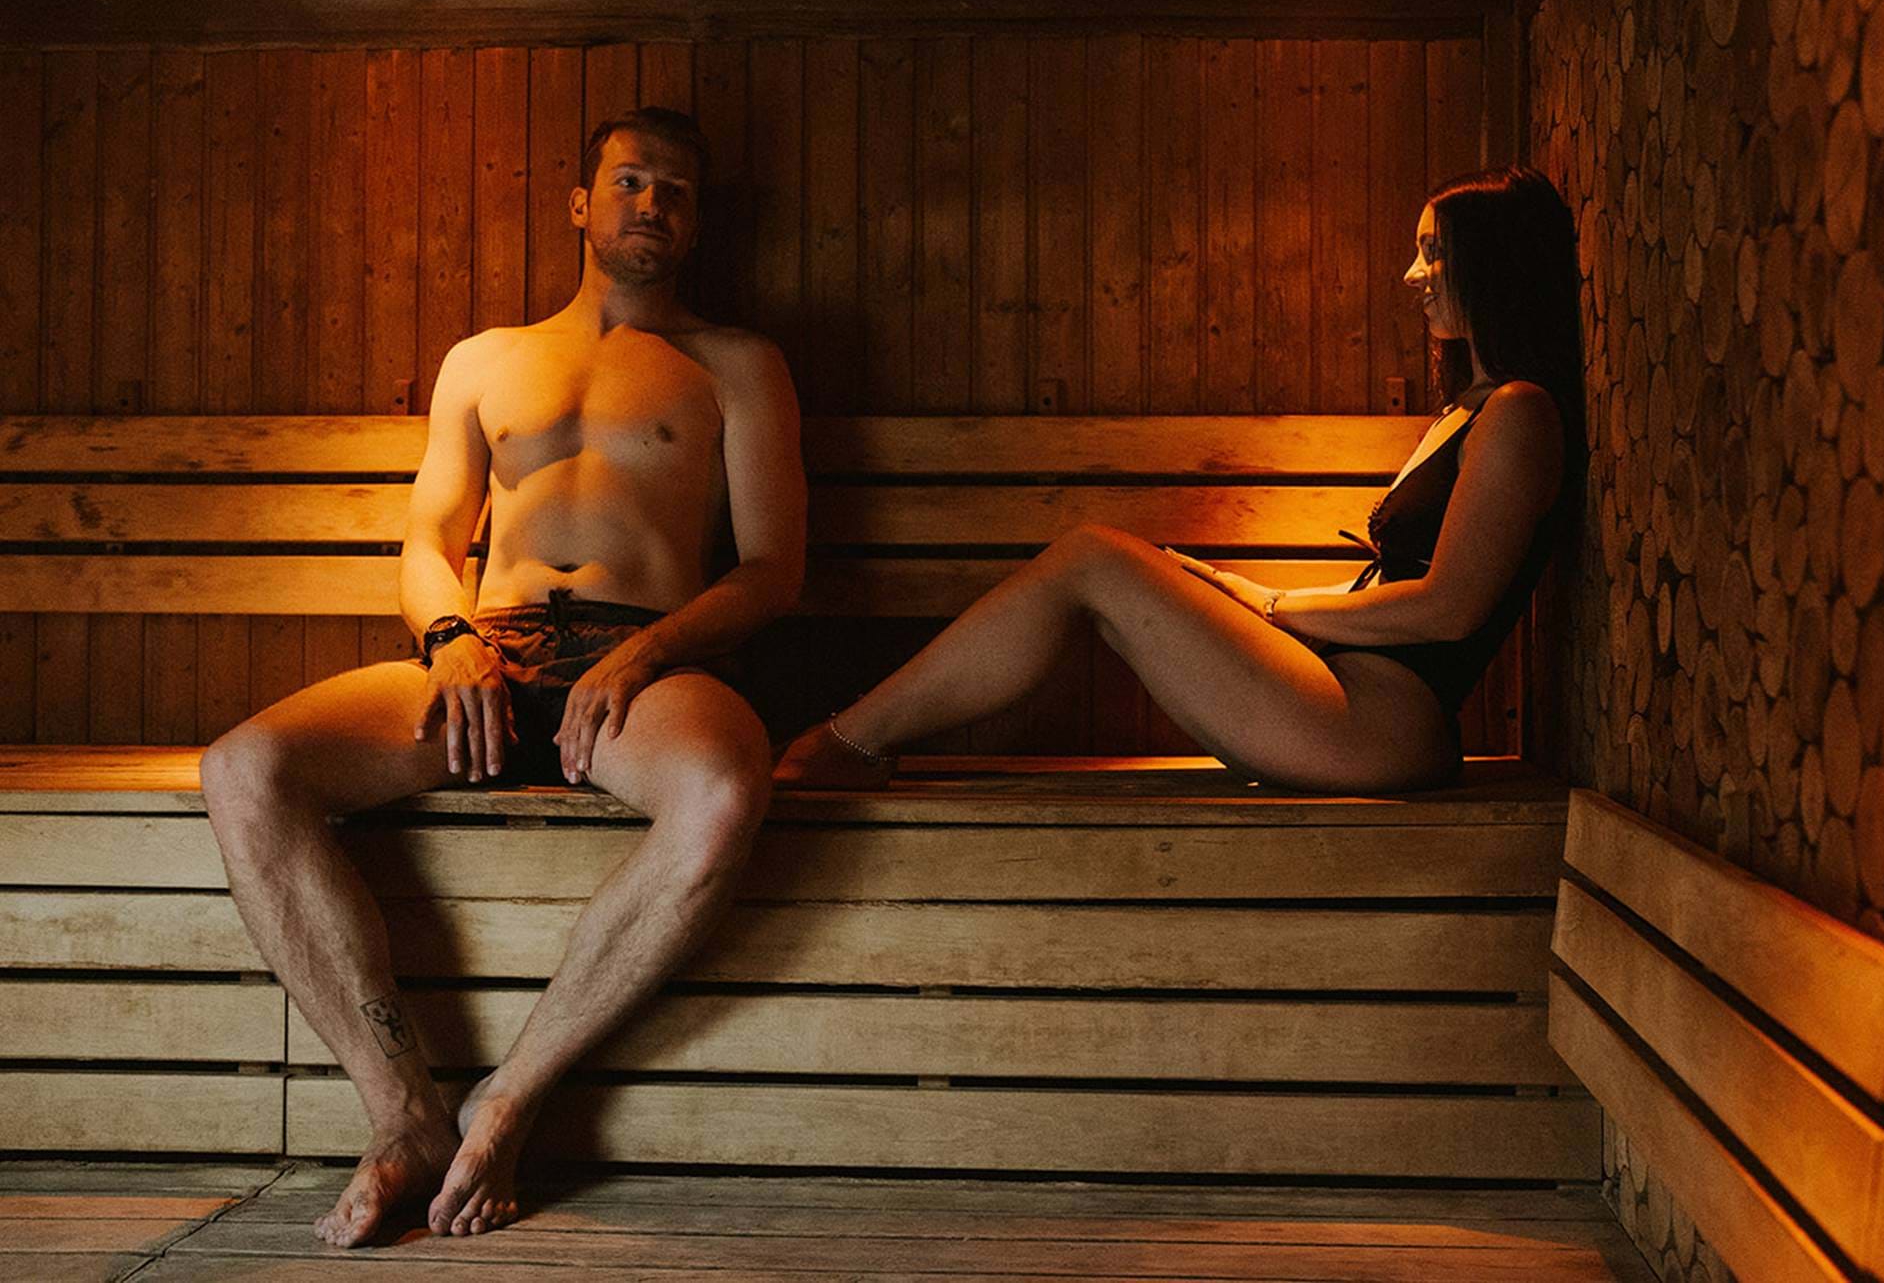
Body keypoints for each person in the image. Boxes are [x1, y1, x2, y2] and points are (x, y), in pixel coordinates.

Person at [199, 108, 806, 1247]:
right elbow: (430, 538)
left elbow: (774, 568)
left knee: (724, 790)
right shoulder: (484, 360)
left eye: (676, 191)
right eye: (630, 181)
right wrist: (452, 641)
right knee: (244, 768)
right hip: (485, 649)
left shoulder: (735, 365)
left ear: (696, 222)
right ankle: (402, 1120)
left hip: (640, 662)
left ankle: (509, 1099)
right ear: (581, 204)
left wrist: (647, 649)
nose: (653, 205)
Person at [775, 164, 1582, 796]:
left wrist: (1274, 606)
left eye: (1433, 251)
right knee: (1120, 571)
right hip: (1344, 698)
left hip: (1378, 726)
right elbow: (1396, 581)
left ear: (1494, 261)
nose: (1412, 274)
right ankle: (848, 743)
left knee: (1093, 557)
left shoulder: (1521, 412)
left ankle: (845, 742)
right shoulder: (1466, 411)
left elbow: (1450, 606)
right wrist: (1233, 589)